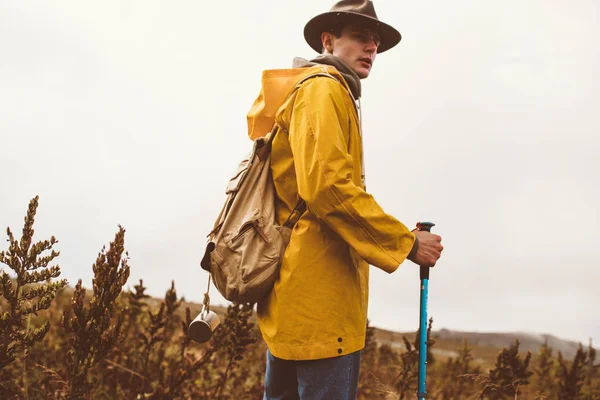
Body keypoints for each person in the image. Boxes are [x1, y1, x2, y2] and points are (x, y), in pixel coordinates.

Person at [246, 1, 444, 398]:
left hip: (292, 299)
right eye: (360, 37)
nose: (371, 48)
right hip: (322, 303)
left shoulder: (307, 90)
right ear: (328, 40)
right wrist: (405, 244)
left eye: (375, 41)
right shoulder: (324, 88)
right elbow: (328, 188)